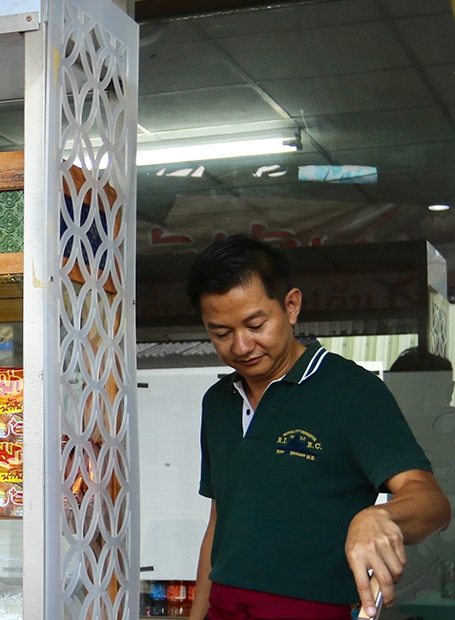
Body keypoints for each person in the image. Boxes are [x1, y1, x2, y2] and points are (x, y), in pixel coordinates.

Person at [185, 236, 451, 620]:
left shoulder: (352, 393)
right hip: (222, 609)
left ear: (291, 306)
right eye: (221, 333)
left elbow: (431, 502)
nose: (241, 346)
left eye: (255, 324)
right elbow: (218, 522)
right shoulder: (217, 401)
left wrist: (381, 516)